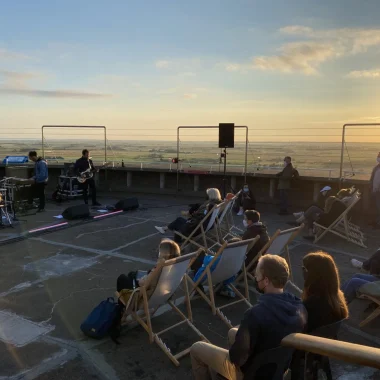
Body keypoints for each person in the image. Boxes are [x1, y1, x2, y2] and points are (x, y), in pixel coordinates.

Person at [190, 255, 307, 380]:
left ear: (266, 281)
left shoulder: (255, 314)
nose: (255, 278)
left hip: (252, 373)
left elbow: (237, 358)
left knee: (197, 348)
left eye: (257, 275)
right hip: (278, 370)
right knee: (232, 332)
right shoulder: (300, 307)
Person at [290, 251, 348, 380]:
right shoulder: (337, 299)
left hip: (303, 350)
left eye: (304, 268)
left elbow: (295, 329)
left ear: (314, 275)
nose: (301, 271)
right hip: (322, 348)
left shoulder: (312, 304)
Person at [154, 188, 222, 243]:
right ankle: (164, 229)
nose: (206, 196)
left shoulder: (209, 206)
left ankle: (176, 243)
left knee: (178, 221)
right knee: (180, 221)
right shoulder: (217, 204)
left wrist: (193, 216)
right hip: (204, 226)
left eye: (208, 194)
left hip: (195, 228)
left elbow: (200, 217)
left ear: (211, 195)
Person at [116, 239, 181, 295]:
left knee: (122, 278)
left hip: (145, 295)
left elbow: (142, 283)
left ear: (163, 255)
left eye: (159, 253)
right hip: (163, 294)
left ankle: (122, 306)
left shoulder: (159, 268)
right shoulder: (174, 268)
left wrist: (142, 279)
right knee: (132, 274)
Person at [370, 152, 380, 229]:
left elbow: (377, 180)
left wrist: (375, 189)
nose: (377, 157)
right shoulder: (377, 167)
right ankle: (377, 221)